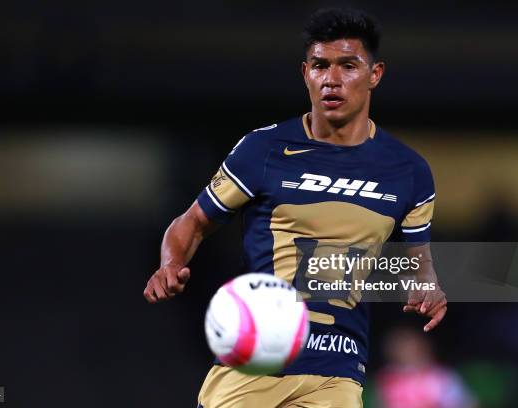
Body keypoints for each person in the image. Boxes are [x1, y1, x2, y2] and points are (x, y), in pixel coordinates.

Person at [144, 8, 447, 408]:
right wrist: (171, 262)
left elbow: (417, 261)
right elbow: (192, 222)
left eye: (348, 66)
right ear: (306, 73)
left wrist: (428, 285)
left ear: (375, 75)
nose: (331, 79)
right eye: (320, 66)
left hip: (338, 370)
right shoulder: (262, 150)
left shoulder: (409, 172)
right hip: (256, 359)